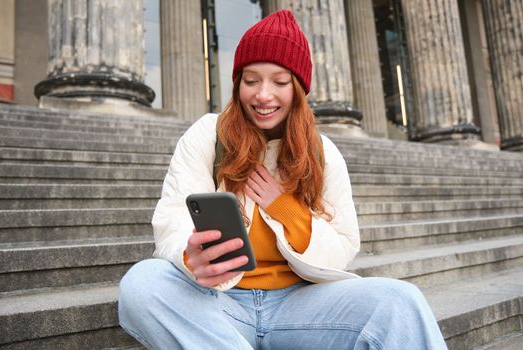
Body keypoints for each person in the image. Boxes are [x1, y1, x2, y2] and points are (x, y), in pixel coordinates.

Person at [118, 9, 447, 350]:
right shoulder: (207, 134)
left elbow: (344, 247)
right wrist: (190, 258)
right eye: (251, 80)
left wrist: (285, 209)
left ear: (299, 88)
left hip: (301, 306)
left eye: (279, 81)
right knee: (143, 284)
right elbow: (173, 216)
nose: (263, 95)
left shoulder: (324, 152)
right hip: (219, 306)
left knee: (400, 300)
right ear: (237, 84)